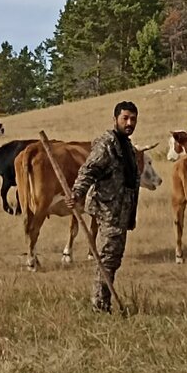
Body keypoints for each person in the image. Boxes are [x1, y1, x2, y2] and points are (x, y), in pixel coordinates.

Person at [67, 101, 141, 313]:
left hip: (121, 212)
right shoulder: (107, 145)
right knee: (107, 258)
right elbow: (88, 170)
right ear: (115, 119)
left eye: (133, 119)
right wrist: (77, 193)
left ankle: (103, 302)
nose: (129, 123)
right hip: (108, 210)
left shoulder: (126, 145)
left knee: (113, 258)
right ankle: (100, 306)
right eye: (125, 118)